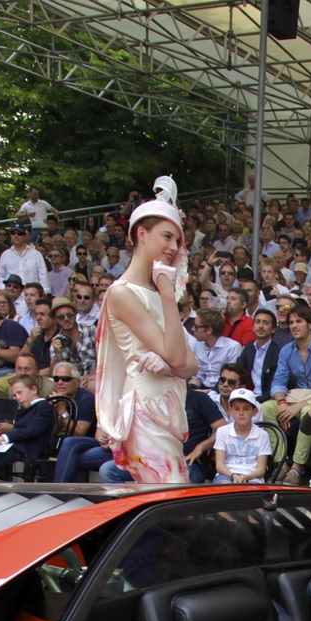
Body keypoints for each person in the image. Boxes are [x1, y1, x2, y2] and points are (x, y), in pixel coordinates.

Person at [96, 177, 197, 482]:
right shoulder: (122, 293)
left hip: (166, 403)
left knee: (169, 500)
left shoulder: (156, 291)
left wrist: (170, 365)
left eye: (177, 240)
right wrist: (168, 295)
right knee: (168, 496)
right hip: (143, 407)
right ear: (141, 233)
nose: (173, 247)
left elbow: (190, 365)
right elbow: (180, 361)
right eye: (167, 236)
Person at [210, 389, 271, 484]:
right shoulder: (222, 431)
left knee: (252, 492)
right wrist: (233, 475)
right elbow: (220, 465)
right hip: (226, 475)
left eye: (246, 409)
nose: (241, 413)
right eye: (236, 409)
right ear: (230, 411)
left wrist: (246, 477)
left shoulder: (262, 435)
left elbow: (261, 470)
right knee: (225, 487)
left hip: (252, 476)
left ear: (254, 411)